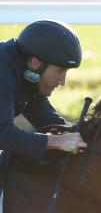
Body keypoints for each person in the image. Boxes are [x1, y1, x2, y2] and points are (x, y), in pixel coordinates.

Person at [0, 19, 87, 163]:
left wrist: (88, 133)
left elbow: (49, 122)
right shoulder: (3, 69)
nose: (62, 81)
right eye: (59, 71)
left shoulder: (26, 73)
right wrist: (56, 142)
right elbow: (3, 134)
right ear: (36, 63)